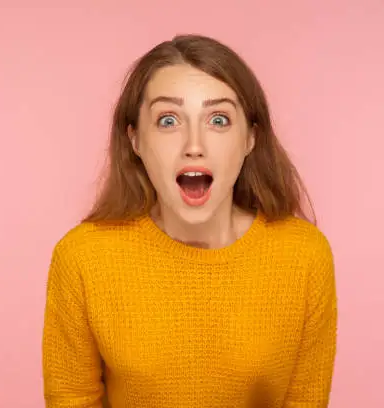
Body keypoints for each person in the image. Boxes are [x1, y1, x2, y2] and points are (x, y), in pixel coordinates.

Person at [42, 34, 337, 408]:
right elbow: (72, 399)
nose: (193, 144)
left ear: (250, 138)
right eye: (168, 120)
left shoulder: (304, 256)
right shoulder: (82, 258)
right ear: (135, 139)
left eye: (218, 119)